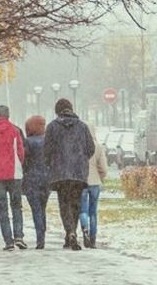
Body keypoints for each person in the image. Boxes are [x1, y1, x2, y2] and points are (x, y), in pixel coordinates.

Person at [44, 98, 94, 251]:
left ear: (57, 111)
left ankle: (70, 232)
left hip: (60, 173)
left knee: (64, 203)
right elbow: (90, 148)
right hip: (79, 173)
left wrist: (51, 162)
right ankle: (72, 232)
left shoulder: (52, 127)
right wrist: (81, 159)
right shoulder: (83, 127)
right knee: (76, 204)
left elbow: (47, 150)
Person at [0, 105, 27, 250]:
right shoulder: (14, 130)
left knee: (2, 209)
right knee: (16, 206)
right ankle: (19, 236)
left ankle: (8, 241)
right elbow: (20, 151)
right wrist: (19, 164)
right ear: (8, 115)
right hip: (14, 174)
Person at [79, 120, 108, 248]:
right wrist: (100, 178)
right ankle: (93, 238)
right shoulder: (98, 147)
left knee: (83, 210)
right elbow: (104, 169)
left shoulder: (78, 146)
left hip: (82, 182)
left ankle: (84, 229)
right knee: (93, 211)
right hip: (95, 182)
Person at [22, 114, 49, 249]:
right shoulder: (47, 141)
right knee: (43, 208)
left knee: (36, 209)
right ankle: (42, 232)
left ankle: (40, 237)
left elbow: (23, 160)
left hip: (32, 179)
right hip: (46, 179)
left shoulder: (28, 142)